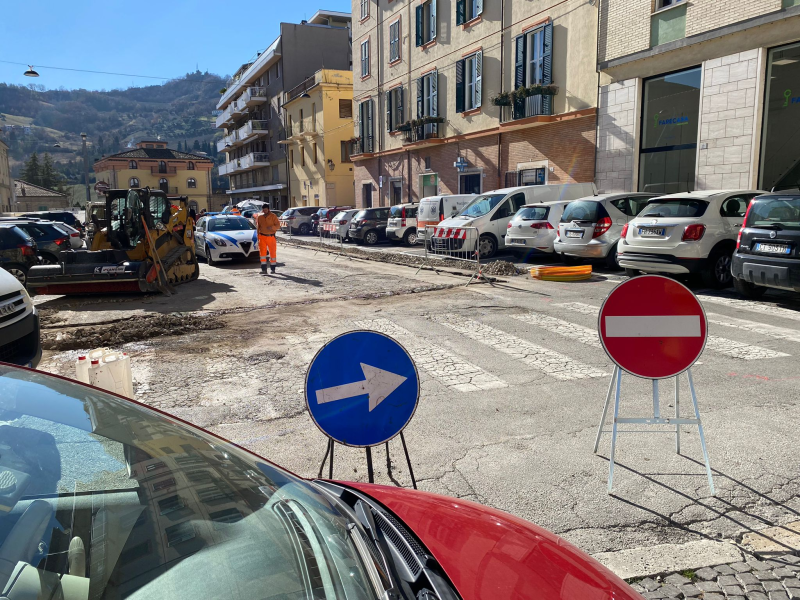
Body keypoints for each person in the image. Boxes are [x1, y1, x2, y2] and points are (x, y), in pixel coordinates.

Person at [254, 204, 280, 273]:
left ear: (268, 209)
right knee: (262, 253)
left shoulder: (273, 216)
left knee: (272, 252)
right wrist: (258, 236)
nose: (265, 211)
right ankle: (264, 269)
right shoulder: (260, 217)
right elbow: (258, 227)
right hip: (262, 237)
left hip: (271, 237)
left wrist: (272, 228)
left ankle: (273, 268)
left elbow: (278, 225)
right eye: (263, 210)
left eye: (266, 210)